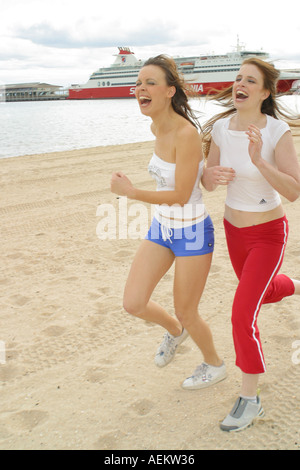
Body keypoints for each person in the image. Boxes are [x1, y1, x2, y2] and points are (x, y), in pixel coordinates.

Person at [111, 55, 226, 389]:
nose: (140, 89)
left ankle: (214, 364)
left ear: (169, 91)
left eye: (149, 83)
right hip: (162, 227)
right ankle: (176, 332)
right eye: (137, 84)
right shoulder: (155, 126)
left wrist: (131, 192)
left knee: (187, 309)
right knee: (133, 303)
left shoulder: (185, 133)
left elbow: (179, 194)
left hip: (191, 231)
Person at [201, 57, 300, 432]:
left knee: (243, 313)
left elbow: (293, 191)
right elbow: (208, 182)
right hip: (233, 230)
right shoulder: (223, 130)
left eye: (250, 80)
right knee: (263, 292)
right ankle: (297, 285)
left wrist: (259, 161)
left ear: (264, 92)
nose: (240, 84)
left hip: (268, 234)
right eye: (238, 77)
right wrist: (210, 174)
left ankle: (249, 398)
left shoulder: (277, 133)